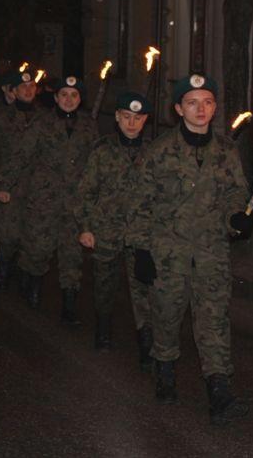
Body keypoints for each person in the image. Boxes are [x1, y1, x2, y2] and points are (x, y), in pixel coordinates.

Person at [127, 74, 253, 426]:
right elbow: (140, 204)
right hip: (168, 254)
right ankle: (164, 371)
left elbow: (234, 196)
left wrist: (237, 220)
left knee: (213, 321)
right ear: (178, 108)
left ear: (214, 108)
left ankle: (219, 391)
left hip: (211, 253)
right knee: (166, 317)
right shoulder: (159, 152)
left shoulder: (226, 151)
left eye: (208, 102)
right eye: (193, 102)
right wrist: (140, 250)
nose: (201, 109)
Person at [76, 92, 153, 364]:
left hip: (141, 234)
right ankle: (103, 330)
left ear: (145, 120)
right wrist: (85, 227)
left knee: (143, 290)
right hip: (106, 230)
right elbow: (86, 191)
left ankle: (147, 343)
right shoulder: (102, 150)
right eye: (127, 117)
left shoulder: (154, 153)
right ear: (118, 118)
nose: (132, 123)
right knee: (105, 285)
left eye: (138, 118)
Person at [17, 75, 98, 322]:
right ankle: (32, 286)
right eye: (64, 94)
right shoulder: (42, 123)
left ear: (80, 99)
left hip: (75, 201)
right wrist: (8, 184)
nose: (69, 99)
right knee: (39, 248)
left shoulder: (89, 126)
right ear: (55, 98)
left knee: (71, 254)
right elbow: (24, 155)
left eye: (74, 95)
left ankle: (69, 305)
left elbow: (95, 163)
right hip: (45, 198)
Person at [0, 71, 47, 289]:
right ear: (14, 91)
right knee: (8, 236)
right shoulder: (1, 117)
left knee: (32, 237)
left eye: (32, 86)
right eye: (23, 87)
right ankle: (2, 272)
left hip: (36, 189)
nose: (29, 90)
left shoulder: (44, 118)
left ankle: (25, 281)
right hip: (8, 189)